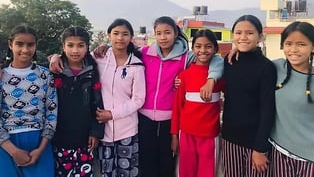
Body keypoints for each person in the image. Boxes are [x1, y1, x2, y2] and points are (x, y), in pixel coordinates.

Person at [50, 16, 224, 177]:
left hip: (162, 120)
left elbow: (213, 57)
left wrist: (211, 79)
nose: (163, 37)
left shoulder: (184, 56)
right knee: (141, 165)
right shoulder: (137, 54)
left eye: (167, 32)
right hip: (136, 121)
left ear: (176, 33)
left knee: (165, 165)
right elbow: (79, 56)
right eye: (159, 33)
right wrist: (55, 57)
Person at [220, 15, 277, 177]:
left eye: (249, 33)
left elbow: (268, 110)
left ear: (260, 37)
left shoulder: (267, 68)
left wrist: (260, 147)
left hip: (255, 142)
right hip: (230, 138)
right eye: (238, 33)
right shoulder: (229, 61)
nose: (243, 37)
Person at [269, 21, 314, 177]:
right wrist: (236, 52)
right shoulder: (275, 68)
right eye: (288, 44)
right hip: (280, 151)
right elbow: (251, 64)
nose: (293, 50)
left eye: (301, 44)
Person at [0, 24, 58, 177]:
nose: (25, 50)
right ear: (10, 44)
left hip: (39, 143)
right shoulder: (1, 76)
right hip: (6, 144)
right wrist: (13, 151)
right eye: (19, 44)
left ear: (35, 46)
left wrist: (41, 148)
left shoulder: (45, 75)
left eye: (30, 44)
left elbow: (52, 113)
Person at [94, 18, 145, 176]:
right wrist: (55, 58)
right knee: (106, 172)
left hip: (127, 130)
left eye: (125, 34)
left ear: (131, 37)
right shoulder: (98, 58)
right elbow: (74, 58)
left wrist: (112, 114)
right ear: (109, 35)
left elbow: (138, 99)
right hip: (104, 130)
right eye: (115, 33)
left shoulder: (136, 65)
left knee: (127, 172)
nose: (120, 38)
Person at [170, 29, 224, 177]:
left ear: (215, 48)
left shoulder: (219, 76)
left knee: (208, 173)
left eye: (208, 46)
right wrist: (174, 136)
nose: (203, 50)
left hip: (210, 136)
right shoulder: (184, 75)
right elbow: (177, 108)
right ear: (193, 49)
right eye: (198, 46)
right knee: (185, 172)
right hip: (186, 135)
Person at [51, 26, 104, 177]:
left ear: (87, 47)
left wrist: (95, 132)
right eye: (70, 45)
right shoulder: (54, 72)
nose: (75, 50)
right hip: (60, 138)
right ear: (63, 46)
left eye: (80, 45)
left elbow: (97, 103)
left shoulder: (92, 71)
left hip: (85, 138)